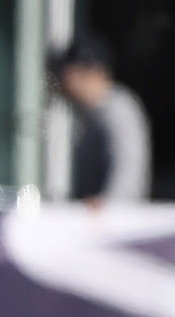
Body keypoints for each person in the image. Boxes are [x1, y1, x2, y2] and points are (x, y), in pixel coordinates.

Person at [47, 33, 151, 205]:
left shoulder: (119, 108)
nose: (63, 80)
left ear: (91, 71)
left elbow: (128, 172)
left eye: (69, 71)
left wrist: (110, 206)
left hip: (115, 225)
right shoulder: (88, 115)